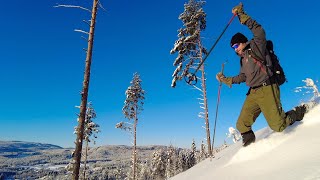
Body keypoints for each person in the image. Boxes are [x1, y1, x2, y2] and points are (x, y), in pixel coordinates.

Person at [216, 3, 307, 147]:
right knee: (241, 124)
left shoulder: (257, 47)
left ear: (242, 42)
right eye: (233, 48)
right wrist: (225, 79)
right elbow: (243, 77)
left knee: (279, 125)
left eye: (235, 46)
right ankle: (250, 147)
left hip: (267, 89)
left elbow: (259, 31)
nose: (235, 50)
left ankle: (300, 111)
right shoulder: (243, 59)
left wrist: (242, 16)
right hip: (253, 93)